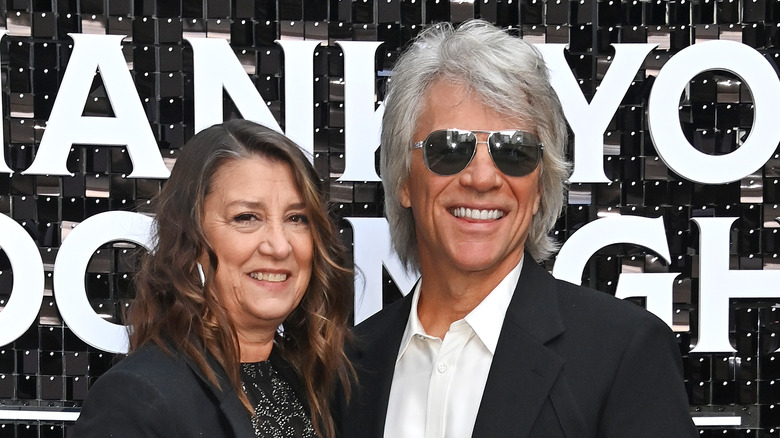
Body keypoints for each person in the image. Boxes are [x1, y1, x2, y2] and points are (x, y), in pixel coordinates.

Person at [338, 20, 697, 437]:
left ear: (540, 187)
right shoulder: (349, 366)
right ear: (402, 179)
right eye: (450, 149)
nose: (483, 179)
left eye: (514, 151)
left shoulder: (622, 354)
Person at [73, 120, 354, 438]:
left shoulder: (316, 386)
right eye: (246, 217)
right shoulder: (136, 397)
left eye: (297, 218)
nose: (279, 246)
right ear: (191, 240)